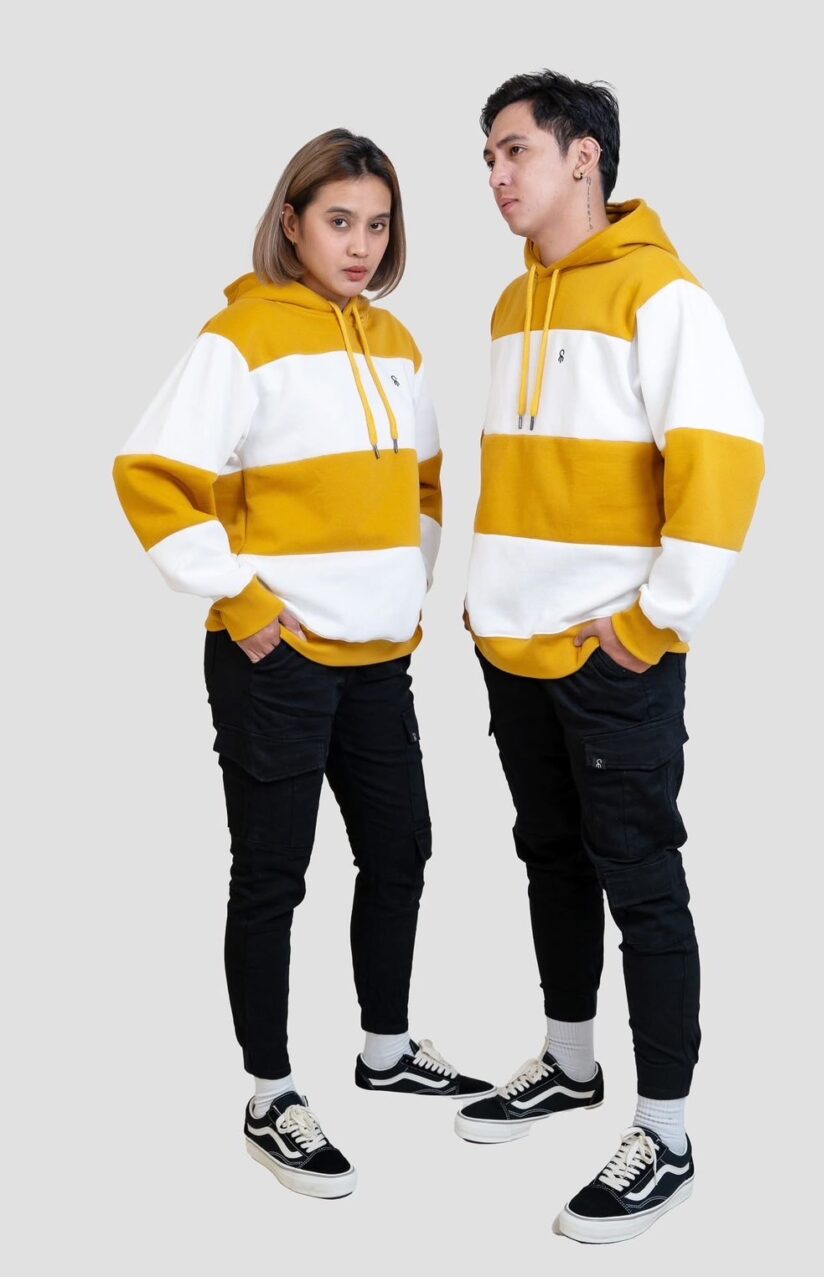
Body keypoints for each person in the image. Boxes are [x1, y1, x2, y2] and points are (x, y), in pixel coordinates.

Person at [113, 129, 491, 1201]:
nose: (360, 245)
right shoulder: (240, 338)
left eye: (377, 224)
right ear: (292, 221)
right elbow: (150, 474)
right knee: (273, 874)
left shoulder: (398, 342)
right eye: (338, 221)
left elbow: (425, 481)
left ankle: (386, 1046)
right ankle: (270, 1092)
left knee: (402, 848)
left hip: (378, 657)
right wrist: (241, 600)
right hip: (273, 659)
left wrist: (404, 587)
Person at [456, 73, 765, 1243]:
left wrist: (652, 620)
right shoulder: (509, 304)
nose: (497, 175)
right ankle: (570, 1061)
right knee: (549, 857)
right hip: (513, 646)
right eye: (489, 156)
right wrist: (489, 597)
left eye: (516, 150)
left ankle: (667, 1133)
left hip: (613, 655)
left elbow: (726, 459)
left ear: (583, 155)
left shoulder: (661, 293)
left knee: (641, 878)